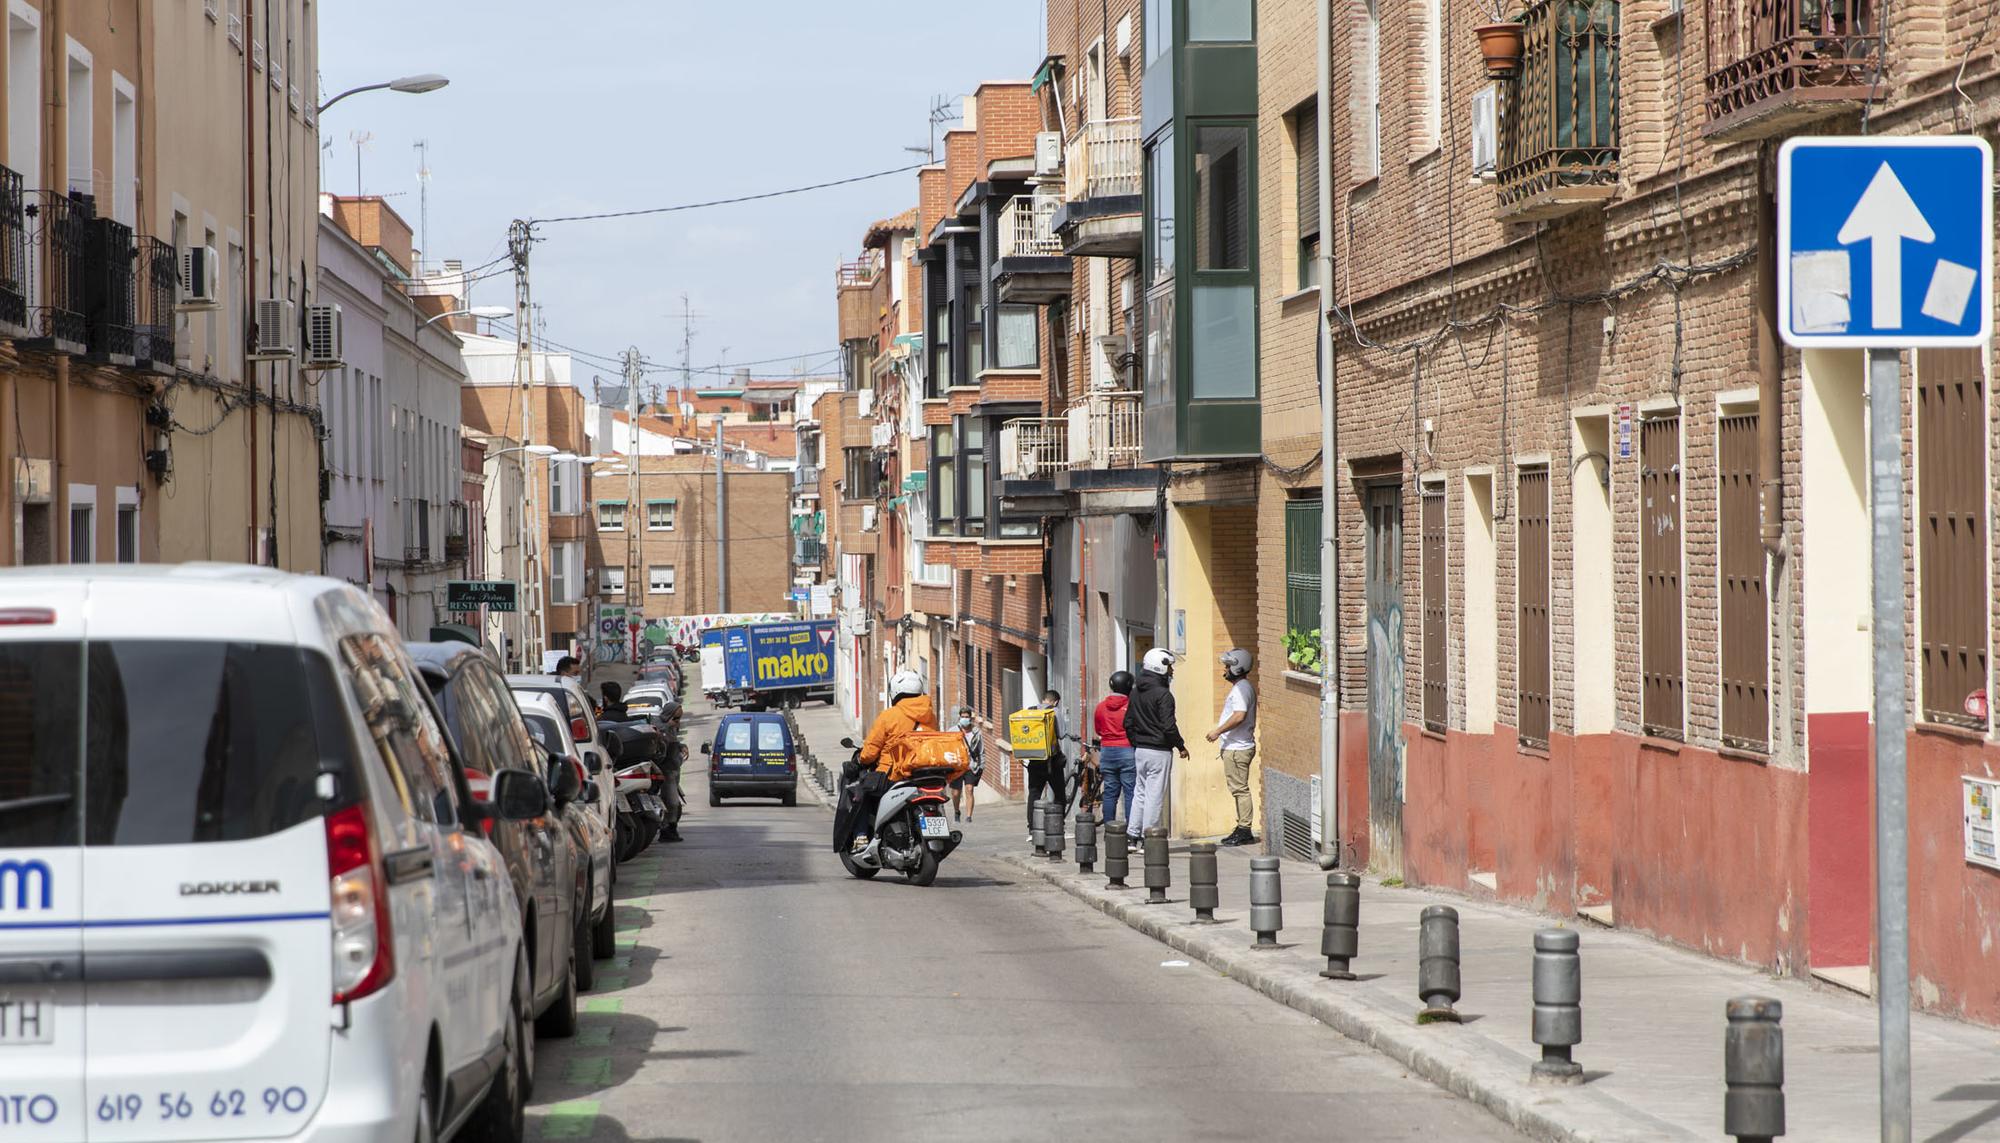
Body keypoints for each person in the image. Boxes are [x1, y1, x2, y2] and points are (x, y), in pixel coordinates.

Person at [840, 670, 937, 853]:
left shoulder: (889, 716)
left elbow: (870, 752)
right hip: (925, 774)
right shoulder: (930, 715)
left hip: (893, 775)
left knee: (861, 791)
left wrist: (858, 761)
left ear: (896, 691)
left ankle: (860, 837)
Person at [1123, 648, 1188, 842]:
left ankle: (1132, 835)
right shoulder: (1164, 695)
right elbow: (1168, 726)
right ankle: (1148, 836)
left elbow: (1128, 723)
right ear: (1160, 667)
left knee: (1140, 792)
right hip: (1159, 751)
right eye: (1170, 668)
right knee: (1155, 795)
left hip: (1140, 750)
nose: (1172, 672)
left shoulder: (1135, 692)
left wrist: (1137, 743)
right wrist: (1180, 746)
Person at [1206, 648, 1259, 846]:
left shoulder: (1240, 689)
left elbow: (1239, 715)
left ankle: (1245, 829)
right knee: (1238, 789)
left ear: (1238, 668)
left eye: (1228, 666)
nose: (1225, 670)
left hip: (1238, 748)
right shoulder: (1243, 687)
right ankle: (1241, 826)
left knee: (1240, 790)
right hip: (1237, 746)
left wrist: (1217, 731)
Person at [1024, 689, 1069, 840]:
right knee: (1060, 794)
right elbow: (1062, 734)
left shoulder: (1030, 711)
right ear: (1055, 701)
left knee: (1034, 794)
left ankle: (1032, 829)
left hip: (1034, 760)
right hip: (1052, 761)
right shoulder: (1055, 711)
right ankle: (1058, 826)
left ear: (1043, 699)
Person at [1093, 671, 1137, 825]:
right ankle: (1132, 831)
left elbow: (1098, 730)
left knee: (1110, 793)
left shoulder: (1101, 707)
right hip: (1127, 750)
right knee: (1130, 792)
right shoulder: (1132, 705)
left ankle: (1110, 829)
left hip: (1107, 751)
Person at [948, 708, 984, 823]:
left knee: (969, 789)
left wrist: (981, 766)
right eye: (963, 716)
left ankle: (969, 817)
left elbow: (981, 750)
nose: (965, 719)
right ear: (959, 717)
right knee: (955, 792)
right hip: (957, 766)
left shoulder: (976, 732)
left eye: (967, 717)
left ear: (970, 718)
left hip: (970, 765)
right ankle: (957, 811)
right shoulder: (952, 731)